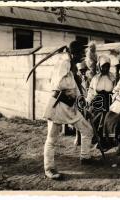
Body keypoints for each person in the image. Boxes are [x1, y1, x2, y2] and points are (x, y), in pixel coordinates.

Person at [43, 41, 96, 180]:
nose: (83, 57)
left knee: (87, 130)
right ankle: (49, 169)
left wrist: (84, 107)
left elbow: (77, 91)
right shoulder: (64, 63)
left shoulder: (72, 68)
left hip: (70, 107)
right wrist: (71, 72)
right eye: (81, 54)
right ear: (74, 53)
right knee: (52, 139)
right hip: (58, 105)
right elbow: (58, 84)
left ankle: (85, 157)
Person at [85, 55, 115, 148]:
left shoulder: (113, 77)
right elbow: (91, 92)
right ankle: (97, 138)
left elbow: (116, 91)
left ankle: (105, 141)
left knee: (106, 116)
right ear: (99, 66)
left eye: (107, 66)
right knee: (95, 116)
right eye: (103, 66)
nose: (105, 68)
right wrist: (88, 102)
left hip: (109, 100)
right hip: (98, 100)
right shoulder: (95, 78)